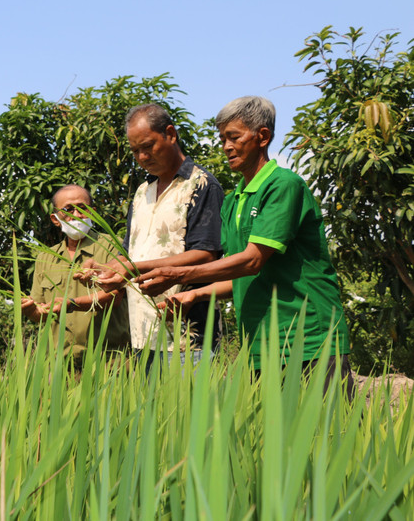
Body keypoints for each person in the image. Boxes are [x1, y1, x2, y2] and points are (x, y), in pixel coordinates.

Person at [137, 96, 354, 395]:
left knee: (329, 435)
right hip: (260, 342)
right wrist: (195, 296)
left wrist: (176, 275)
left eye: (233, 137)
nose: (225, 147)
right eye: (222, 138)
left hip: (309, 340)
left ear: (262, 137)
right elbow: (240, 277)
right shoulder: (234, 200)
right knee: (274, 439)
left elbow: (252, 261)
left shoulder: (282, 185)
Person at [78, 104, 224, 364]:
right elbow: (129, 255)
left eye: (148, 146)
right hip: (142, 336)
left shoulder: (201, 184)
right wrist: (107, 270)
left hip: (188, 339)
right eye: (135, 151)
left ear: (170, 134)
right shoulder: (141, 192)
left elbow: (206, 256)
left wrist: (131, 267)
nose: (142, 156)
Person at [21, 185, 130, 359]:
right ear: (55, 219)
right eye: (68, 209)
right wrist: (31, 312)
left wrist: (71, 304)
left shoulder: (113, 246)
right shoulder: (45, 258)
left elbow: (115, 296)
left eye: (82, 208)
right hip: (58, 364)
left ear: (93, 212)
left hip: (108, 359)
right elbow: (41, 311)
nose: (76, 215)